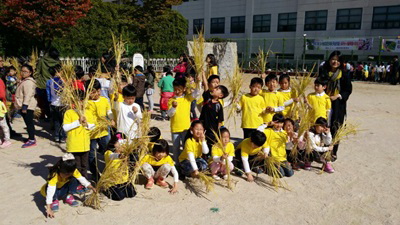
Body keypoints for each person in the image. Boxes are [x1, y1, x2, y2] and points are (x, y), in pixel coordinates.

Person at [318, 51, 352, 160]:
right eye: (333, 59)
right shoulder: (323, 72)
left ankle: (333, 151)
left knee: (335, 127)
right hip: (324, 103)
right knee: (321, 125)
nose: (335, 62)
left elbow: (348, 89)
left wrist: (338, 96)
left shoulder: (344, 74)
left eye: (338, 60)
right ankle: (321, 150)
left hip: (338, 105)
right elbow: (318, 84)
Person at [40, 153, 96, 218]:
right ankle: (54, 200)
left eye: (69, 174)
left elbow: (81, 179)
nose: (67, 176)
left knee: (74, 179)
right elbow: (50, 191)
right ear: (60, 169)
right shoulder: (54, 175)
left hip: (63, 189)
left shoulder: (73, 171)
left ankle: (68, 195)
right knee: (52, 188)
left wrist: (91, 187)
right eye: (66, 174)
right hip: (53, 191)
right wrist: (48, 208)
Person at [62, 90, 95, 179]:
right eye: (78, 101)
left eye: (83, 101)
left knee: (84, 165)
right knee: (76, 166)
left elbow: (93, 126)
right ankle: (76, 183)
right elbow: (65, 128)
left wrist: (86, 124)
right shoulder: (69, 113)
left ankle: (84, 183)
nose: (81, 103)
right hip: (74, 145)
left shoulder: (88, 112)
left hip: (85, 145)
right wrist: (78, 122)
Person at [86, 80, 113, 181]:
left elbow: (109, 111)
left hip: (104, 131)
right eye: (92, 92)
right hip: (91, 134)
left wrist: (112, 119)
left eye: (98, 91)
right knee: (92, 154)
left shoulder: (105, 100)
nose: (96, 94)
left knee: (107, 150)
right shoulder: (85, 103)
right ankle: (94, 173)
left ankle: (109, 169)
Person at [167, 78, 200, 163]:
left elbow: (197, 93)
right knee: (175, 148)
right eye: (175, 89)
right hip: (175, 129)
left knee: (186, 147)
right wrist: (174, 107)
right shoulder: (171, 100)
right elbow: (169, 114)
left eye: (179, 89)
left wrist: (198, 82)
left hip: (186, 128)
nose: (177, 91)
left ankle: (185, 162)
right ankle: (177, 163)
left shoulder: (187, 98)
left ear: (184, 89)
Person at [103, 134, 136, 201]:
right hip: (112, 182)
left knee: (132, 193)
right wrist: (120, 156)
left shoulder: (127, 154)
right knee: (119, 197)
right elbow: (113, 156)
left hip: (123, 180)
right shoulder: (108, 153)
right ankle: (106, 190)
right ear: (114, 144)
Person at [199, 84, 229, 152]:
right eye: (215, 88)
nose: (214, 89)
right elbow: (206, 86)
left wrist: (217, 132)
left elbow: (220, 120)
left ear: (220, 95)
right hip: (202, 125)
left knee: (210, 144)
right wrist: (203, 74)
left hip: (212, 129)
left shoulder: (219, 106)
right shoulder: (208, 98)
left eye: (217, 89)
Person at [35, 47, 60, 120]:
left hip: (43, 84)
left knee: (44, 102)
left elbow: (37, 72)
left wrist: (38, 80)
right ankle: (53, 118)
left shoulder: (42, 61)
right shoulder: (58, 62)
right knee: (54, 101)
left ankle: (47, 115)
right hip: (55, 84)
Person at [15, 64, 37, 148]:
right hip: (24, 105)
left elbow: (27, 95)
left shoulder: (28, 83)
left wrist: (25, 106)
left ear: (30, 73)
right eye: (22, 71)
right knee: (28, 123)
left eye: (25, 71)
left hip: (28, 106)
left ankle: (32, 139)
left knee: (29, 123)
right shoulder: (24, 81)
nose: (23, 73)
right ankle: (30, 138)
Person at [46, 65, 65, 143]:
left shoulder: (49, 81)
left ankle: (57, 136)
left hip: (53, 103)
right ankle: (63, 137)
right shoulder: (62, 81)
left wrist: (49, 101)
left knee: (56, 121)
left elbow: (48, 93)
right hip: (62, 103)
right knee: (63, 121)